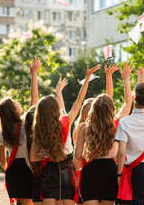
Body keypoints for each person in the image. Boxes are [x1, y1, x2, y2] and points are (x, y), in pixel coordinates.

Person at [30, 65, 100, 205]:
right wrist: (87, 78)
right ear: (56, 109)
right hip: (67, 169)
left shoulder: (39, 129)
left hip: (49, 171)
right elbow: (79, 100)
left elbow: (33, 157)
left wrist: (47, 155)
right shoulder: (66, 122)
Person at [74, 63, 133, 205]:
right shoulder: (116, 126)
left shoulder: (83, 127)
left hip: (89, 172)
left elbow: (77, 156)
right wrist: (125, 79)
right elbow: (128, 103)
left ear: (93, 110)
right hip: (109, 172)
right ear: (111, 110)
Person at [0, 57, 42, 205]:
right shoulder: (26, 124)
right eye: (15, 103)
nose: (18, 103)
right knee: (29, 201)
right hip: (28, 166)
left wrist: (9, 170)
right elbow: (34, 98)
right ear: (12, 111)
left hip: (13, 170)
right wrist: (34, 74)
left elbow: (2, 159)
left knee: (19, 202)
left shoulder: (2, 131)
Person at [115, 81, 144, 205]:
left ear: (133, 97)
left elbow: (121, 152)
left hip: (134, 172)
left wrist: (119, 175)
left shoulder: (124, 122)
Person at [25, 75, 68, 205]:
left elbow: (34, 100)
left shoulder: (36, 130)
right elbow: (63, 112)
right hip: (49, 174)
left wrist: (58, 92)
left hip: (40, 176)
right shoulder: (46, 130)